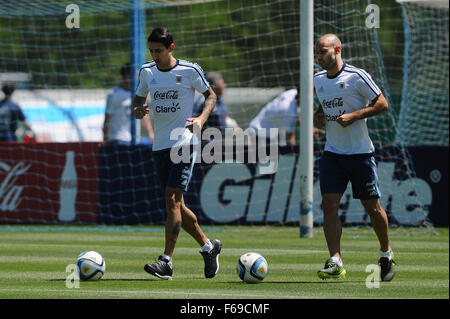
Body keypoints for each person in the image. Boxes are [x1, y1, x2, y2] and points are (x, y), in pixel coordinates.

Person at [132, 27, 221, 280]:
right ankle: (208, 246)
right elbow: (138, 102)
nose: (155, 55)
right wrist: (138, 110)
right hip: (159, 144)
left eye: (158, 51)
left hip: (184, 141)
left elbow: (210, 96)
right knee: (177, 205)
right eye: (151, 51)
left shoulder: (189, 70)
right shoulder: (146, 72)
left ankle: (166, 261)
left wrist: (202, 119)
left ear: (171, 48)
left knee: (171, 200)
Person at [313, 33, 395, 281]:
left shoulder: (357, 76)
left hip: (360, 154)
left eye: (323, 51)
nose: (319, 56)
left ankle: (386, 254)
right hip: (332, 153)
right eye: (317, 52)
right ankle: (335, 260)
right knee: (328, 205)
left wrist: (354, 116)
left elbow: (382, 104)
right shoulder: (318, 79)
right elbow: (324, 105)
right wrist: (319, 117)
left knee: (373, 208)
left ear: (337, 49)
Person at [249, 88, 325, 146]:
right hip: (260, 135)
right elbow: (290, 139)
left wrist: (311, 130)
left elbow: (298, 117)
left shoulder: (293, 92)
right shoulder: (289, 112)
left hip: (257, 128)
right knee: (270, 164)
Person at [103, 63, 153, 145]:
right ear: (126, 77)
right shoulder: (114, 94)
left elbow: (144, 115)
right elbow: (107, 118)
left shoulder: (139, 94)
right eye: (135, 75)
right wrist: (105, 138)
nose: (138, 78)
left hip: (135, 139)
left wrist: (150, 133)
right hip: (118, 138)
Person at [193, 71, 238, 135]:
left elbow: (224, 118)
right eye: (222, 84)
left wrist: (233, 125)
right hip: (205, 143)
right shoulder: (202, 102)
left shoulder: (220, 102)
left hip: (219, 142)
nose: (224, 86)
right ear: (213, 86)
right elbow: (194, 121)